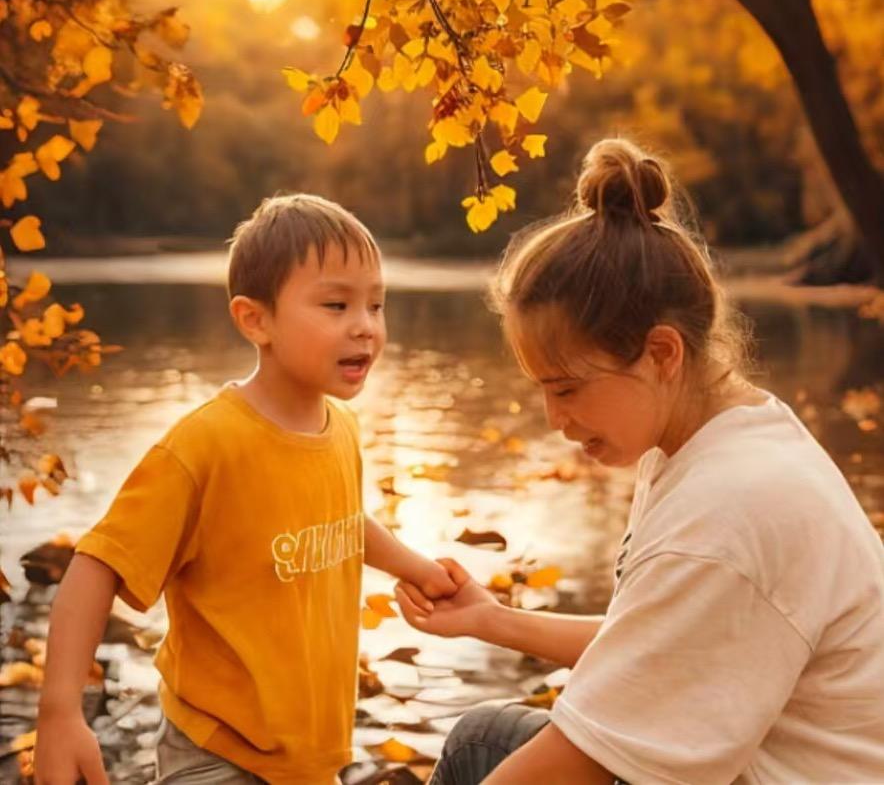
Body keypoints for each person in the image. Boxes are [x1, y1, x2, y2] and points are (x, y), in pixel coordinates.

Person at [395, 139, 884, 784]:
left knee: (485, 757)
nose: (553, 419)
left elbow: (580, 762)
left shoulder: (730, 508)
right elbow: (662, 645)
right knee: (484, 737)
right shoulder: (721, 437)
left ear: (661, 354)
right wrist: (492, 620)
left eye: (566, 388)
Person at [35, 194, 459, 785]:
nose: (365, 325)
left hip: (311, 755)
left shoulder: (341, 430)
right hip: (219, 755)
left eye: (376, 305)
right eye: (336, 304)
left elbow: (340, 520)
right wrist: (60, 713)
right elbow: (97, 564)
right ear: (255, 319)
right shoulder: (206, 444)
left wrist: (415, 568)